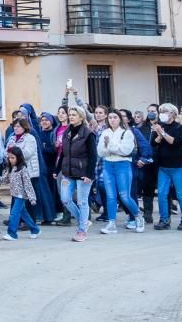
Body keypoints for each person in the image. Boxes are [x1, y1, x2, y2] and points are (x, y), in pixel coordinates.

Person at [150, 102, 182, 230]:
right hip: (164, 167)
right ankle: (164, 220)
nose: (162, 114)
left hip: (179, 166)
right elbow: (154, 143)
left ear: (173, 114)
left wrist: (162, 133)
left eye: (165, 112)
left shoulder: (180, 128)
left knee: (180, 195)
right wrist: (158, 135)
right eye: (161, 112)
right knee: (162, 194)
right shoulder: (160, 126)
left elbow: (175, 142)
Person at [57, 103, 97, 242]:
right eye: (70, 115)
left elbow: (93, 156)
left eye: (74, 115)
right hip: (68, 171)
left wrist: (90, 175)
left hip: (83, 173)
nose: (71, 117)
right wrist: (57, 169)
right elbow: (63, 153)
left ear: (81, 117)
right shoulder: (67, 132)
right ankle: (83, 221)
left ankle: (81, 231)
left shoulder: (88, 133)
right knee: (65, 199)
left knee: (82, 201)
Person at [97, 113, 142, 234]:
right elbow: (101, 152)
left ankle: (138, 216)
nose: (112, 120)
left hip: (122, 165)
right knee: (110, 196)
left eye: (115, 117)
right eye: (110, 118)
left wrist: (110, 145)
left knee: (124, 195)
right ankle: (111, 223)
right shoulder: (105, 132)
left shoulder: (126, 133)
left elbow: (125, 150)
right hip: (108, 165)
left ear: (120, 119)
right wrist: (111, 148)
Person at [1, 145, 41, 240]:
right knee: (23, 213)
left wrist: (32, 198)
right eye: (9, 157)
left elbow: (28, 185)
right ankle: (35, 229)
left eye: (13, 158)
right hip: (14, 194)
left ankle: (12, 234)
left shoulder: (23, 169)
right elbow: (5, 180)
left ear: (18, 157)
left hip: (21, 195)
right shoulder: (10, 168)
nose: (11, 160)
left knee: (14, 214)